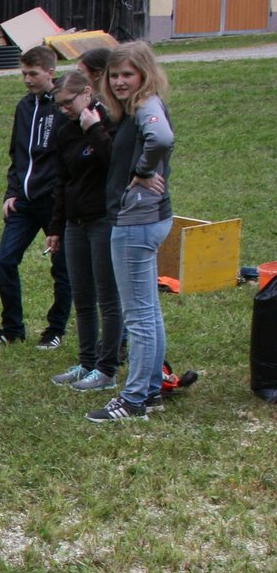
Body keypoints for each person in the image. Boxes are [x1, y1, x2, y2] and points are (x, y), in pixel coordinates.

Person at [86, 40, 175, 423]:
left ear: (144, 75)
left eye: (128, 74)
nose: (120, 82)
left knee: (138, 317)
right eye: (114, 75)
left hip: (136, 222)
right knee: (148, 312)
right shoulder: (134, 110)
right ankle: (150, 391)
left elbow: (162, 139)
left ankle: (134, 398)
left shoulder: (146, 106)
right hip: (146, 219)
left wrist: (142, 171)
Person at [0, 46, 73, 349]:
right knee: (5, 260)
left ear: (50, 72)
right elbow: (17, 154)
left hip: (54, 202)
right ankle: (12, 328)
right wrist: (12, 192)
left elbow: (66, 158)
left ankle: (55, 329)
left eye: (33, 74)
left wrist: (59, 198)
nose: (27, 80)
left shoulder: (62, 107)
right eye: (24, 74)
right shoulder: (24, 106)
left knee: (62, 268)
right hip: (24, 202)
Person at [45, 69, 121, 393]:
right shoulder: (65, 130)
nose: (64, 110)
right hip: (75, 224)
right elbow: (62, 180)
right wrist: (56, 226)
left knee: (108, 297)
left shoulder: (110, 122)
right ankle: (86, 362)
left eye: (69, 102)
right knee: (83, 296)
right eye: (59, 105)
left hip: (104, 220)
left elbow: (118, 164)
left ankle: (107, 369)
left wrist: (94, 130)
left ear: (88, 93)